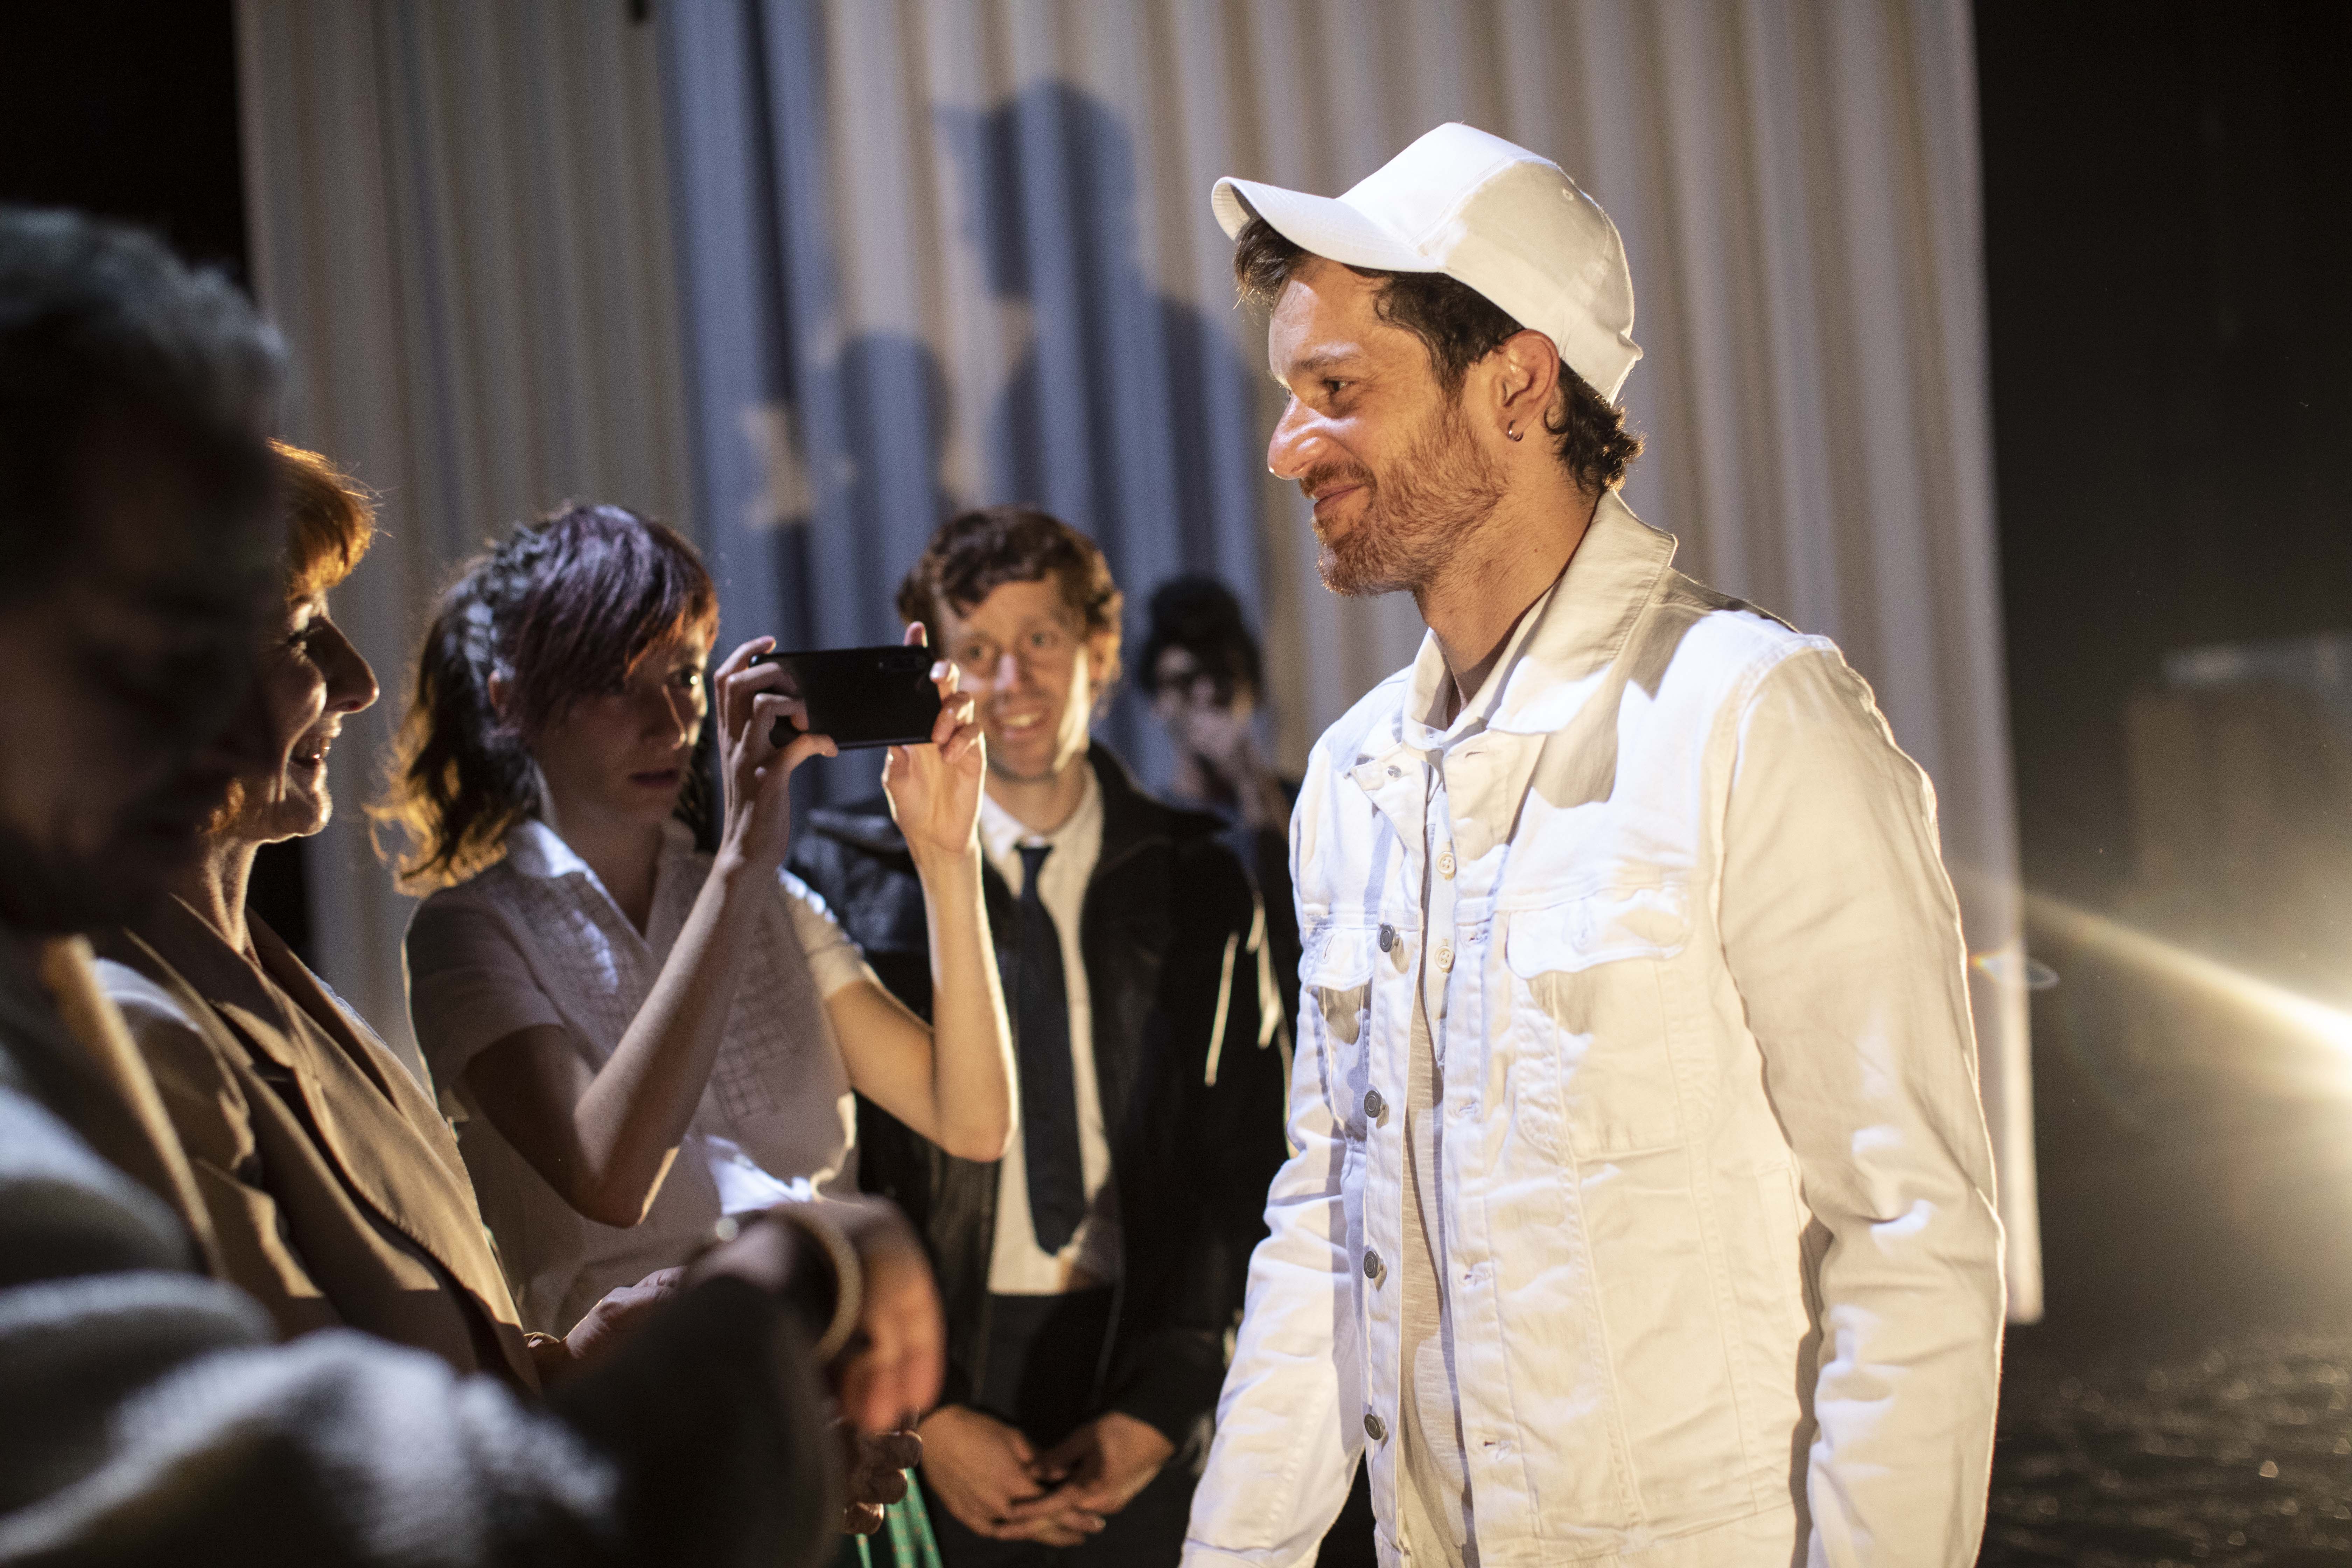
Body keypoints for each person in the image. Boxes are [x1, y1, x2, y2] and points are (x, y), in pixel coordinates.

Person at [0, 202, 939, 1564]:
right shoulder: (140, 1030)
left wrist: (579, 1360)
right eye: (294, 635)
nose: (354, 684)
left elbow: (419, 1373)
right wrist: (782, 1281)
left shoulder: (282, 988)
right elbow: (314, 1499)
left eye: (684, 677)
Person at [1181, 124, 2006, 1567]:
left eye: (1336, 390)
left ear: (1517, 383)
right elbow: (1326, 1231)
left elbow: (1910, 1236)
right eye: (1289, 395)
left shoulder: (1752, 717)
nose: (1287, 446)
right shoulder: (1355, 783)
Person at [789, 506, 1292, 1567]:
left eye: (1041, 640)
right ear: (933, 671)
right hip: (930, 1376)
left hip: (1145, 1355)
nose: (1010, 681)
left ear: (1099, 654)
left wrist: (1168, 1400)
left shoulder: (1202, 878)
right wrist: (923, 1412)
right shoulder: (840, 876)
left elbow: (1251, 1159)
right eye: (976, 650)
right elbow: (818, 1173)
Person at [390, 504, 1016, 1340]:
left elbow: (973, 1120)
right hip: (639, 1386)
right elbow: (609, 1178)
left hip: (831, 1356)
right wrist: (741, 859)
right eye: (616, 682)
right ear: (513, 699)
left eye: (684, 676)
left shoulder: (775, 904)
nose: (668, 722)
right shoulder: (472, 930)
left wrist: (947, 854)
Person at [1137, 574, 1301, 1040]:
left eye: (1222, 679)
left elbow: (1313, 918)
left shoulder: (1305, 802)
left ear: (1251, 688)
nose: (1206, 695)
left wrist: (1250, 781)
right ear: (1158, 700)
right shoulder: (1148, 828)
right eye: (1185, 682)